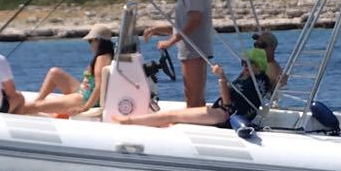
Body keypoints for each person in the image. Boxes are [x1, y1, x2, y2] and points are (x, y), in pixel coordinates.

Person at [113, 48, 271, 130]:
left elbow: (228, 105)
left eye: (248, 64)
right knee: (176, 116)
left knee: (171, 115)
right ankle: (138, 122)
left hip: (224, 115)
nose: (244, 67)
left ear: (258, 65)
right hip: (224, 113)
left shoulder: (251, 84)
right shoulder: (261, 80)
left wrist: (221, 78)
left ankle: (128, 121)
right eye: (243, 63)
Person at [143, 0, 214, 107]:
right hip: (191, 52)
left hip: (194, 51)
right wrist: (156, 29)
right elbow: (183, 24)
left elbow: (194, 20)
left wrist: (170, 42)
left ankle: (195, 119)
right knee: (191, 95)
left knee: (193, 97)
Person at [23, 24, 115, 116]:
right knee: (54, 72)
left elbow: (99, 86)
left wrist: (85, 107)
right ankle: (38, 100)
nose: (90, 45)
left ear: (97, 40)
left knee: (33, 107)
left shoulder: (102, 58)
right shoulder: (108, 55)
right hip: (84, 91)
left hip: (84, 98)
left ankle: (33, 106)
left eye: (90, 41)